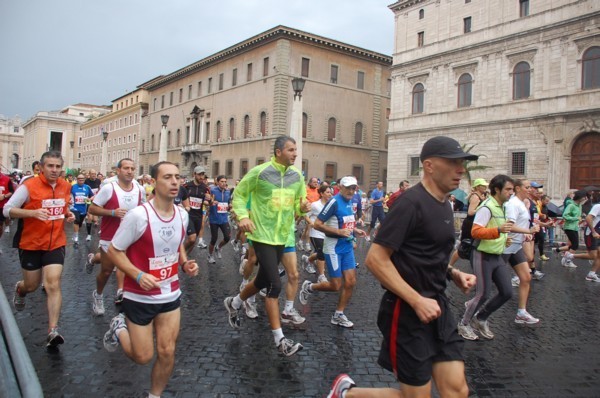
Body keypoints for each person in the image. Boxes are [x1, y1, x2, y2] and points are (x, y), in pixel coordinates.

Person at [327, 136, 477, 397]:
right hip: (406, 310)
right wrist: (416, 300)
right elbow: (376, 259)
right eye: (453, 162)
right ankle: (346, 393)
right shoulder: (409, 203)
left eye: (462, 163)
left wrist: (453, 273)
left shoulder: (444, 204)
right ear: (429, 166)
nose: (460, 169)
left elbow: (424, 255)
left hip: (438, 306)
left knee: (457, 391)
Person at [103, 161, 198, 398]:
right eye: (167, 177)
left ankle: (154, 396)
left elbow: (177, 245)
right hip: (139, 296)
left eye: (177, 176)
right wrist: (137, 274)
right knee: (143, 356)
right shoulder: (139, 216)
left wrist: (185, 263)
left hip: (170, 293)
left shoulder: (183, 215)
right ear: (154, 183)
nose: (175, 181)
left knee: (167, 351)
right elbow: (114, 251)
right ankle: (118, 328)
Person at [223, 135, 310, 357]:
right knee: (274, 285)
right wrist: (242, 216)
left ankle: (234, 303)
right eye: (291, 150)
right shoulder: (260, 172)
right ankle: (280, 340)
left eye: (296, 150)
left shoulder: (296, 176)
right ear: (278, 152)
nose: (295, 154)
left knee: (262, 280)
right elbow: (239, 196)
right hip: (261, 234)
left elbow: (299, 207)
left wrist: (303, 208)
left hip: (283, 236)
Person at [4, 151, 75, 347]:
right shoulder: (28, 187)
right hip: (31, 243)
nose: (54, 170)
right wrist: (32, 212)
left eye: (58, 166)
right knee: (32, 285)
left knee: (53, 283)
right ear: (42, 167)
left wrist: (68, 215)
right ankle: (20, 289)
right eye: (50, 166)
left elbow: (63, 208)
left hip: (56, 243)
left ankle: (53, 330)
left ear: (62, 168)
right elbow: (7, 209)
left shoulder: (66, 186)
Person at [299, 176, 366, 328]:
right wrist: (338, 231)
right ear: (340, 187)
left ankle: (338, 314)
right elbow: (317, 224)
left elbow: (345, 223)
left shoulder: (350, 201)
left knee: (350, 282)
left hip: (346, 246)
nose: (351, 191)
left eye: (353, 188)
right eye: (348, 187)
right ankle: (309, 287)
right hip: (333, 247)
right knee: (336, 285)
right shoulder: (334, 202)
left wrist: (355, 230)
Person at [458, 175, 514, 341]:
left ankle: (480, 318)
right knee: (483, 293)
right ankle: (463, 323)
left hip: (496, 255)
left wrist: (505, 238)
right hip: (482, 254)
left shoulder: (502, 207)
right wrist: (498, 231)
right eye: (508, 189)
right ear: (497, 189)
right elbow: (476, 231)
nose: (511, 193)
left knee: (507, 292)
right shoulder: (487, 207)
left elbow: (499, 229)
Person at [88, 158, 144, 314]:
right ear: (118, 171)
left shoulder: (139, 190)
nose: (130, 171)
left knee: (128, 269)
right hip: (110, 237)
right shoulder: (109, 188)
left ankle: (127, 299)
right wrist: (111, 212)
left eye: (132, 168)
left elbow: (143, 210)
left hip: (131, 237)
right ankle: (98, 295)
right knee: (106, 271)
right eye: (126, 168)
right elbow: (92, 209)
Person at [499, 180, 540, 325]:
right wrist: (528, 231)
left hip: (516, 246)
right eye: (527, 187)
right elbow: (508, 226)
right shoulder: (513, 204)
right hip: (506, 246)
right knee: (492, 280)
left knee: (526, 278)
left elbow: (520, 224)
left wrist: (525, 234)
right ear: (518, 188)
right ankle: (475, 305)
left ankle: (521, 313)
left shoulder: (522, 203)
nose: (530, 189)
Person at [301, 185, 333, 280]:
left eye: (331, 192)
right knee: (322, 252)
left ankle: (308, 259)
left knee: (324, 252)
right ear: (321, 193)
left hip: (326, 233)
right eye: (327, 192)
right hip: (316, 233)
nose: (330, 194)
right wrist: (311, 223)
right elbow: (305, 215)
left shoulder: (332, 205)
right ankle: (321, 276)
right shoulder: (315, 205)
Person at [558, 190, 590, 267]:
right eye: (584, 197)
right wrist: (576, 218)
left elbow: (579, 215)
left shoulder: (579, 205)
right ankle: (567, 260)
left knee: (573, 244)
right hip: (569, 227)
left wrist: (582, 217)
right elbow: (565, 215)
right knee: (575, 245)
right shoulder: (571, 205)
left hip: (575, 227)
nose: (585, 198)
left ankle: (566, 259)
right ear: (580, 197)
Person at [183, 166, 211, 252]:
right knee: (192, 238)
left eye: (202, 174)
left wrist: (209, 199)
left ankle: (185, 260)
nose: (201, 177)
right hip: (188, 215)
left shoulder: (205, 188)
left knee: (194, 241)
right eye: (199, 174)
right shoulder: (187, 186)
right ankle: (179, 256)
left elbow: (209, 203)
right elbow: (180, 198)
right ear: (194, 174)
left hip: (198, 216)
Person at [207, 175, 231, 264]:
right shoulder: (212, 190)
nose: (224, 183)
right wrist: (211, 202)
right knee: (214, 238)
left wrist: (230, 206)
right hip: (214, 219)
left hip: (224, 218)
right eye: (222, 181)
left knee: (227, 237)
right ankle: (210, 255)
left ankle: (218, 248)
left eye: (225, 181)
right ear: (217, 182)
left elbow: (228, 203)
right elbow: (207, 202)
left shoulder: (228, 192)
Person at [70, 174, 94, 244]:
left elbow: (92, 196)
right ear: (77, 180)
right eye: (79, 180)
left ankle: (77, 232)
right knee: (76, 221)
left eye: (82, 180)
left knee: (80, 223)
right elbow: (66, 194)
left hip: (84, 207)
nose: (81, 181)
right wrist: (69, 200)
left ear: (84, 180)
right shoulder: (72, 187)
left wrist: (89, 199)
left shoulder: (87, 187)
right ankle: (76, 237)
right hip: (74, 207)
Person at [583, 202, 600, 282]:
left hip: (598, 234)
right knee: (593, 255)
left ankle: (591, 274)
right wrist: (593, 232)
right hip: (591, 233)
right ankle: (570, 256)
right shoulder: (598, 206)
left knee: (599, 255)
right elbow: (588, 218)